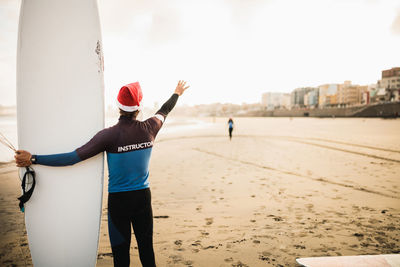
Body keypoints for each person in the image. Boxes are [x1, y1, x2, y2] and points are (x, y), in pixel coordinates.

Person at [15, 80, 190, 267]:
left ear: (118, 106)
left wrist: (34, 159)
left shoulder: (108, 135)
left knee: (121, 256)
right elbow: (165, 110)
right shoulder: (150, 128)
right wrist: (177, 93)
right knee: (146, 250)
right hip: (142, 199)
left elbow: (73, 157)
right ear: (138, 107)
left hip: (119, 203)